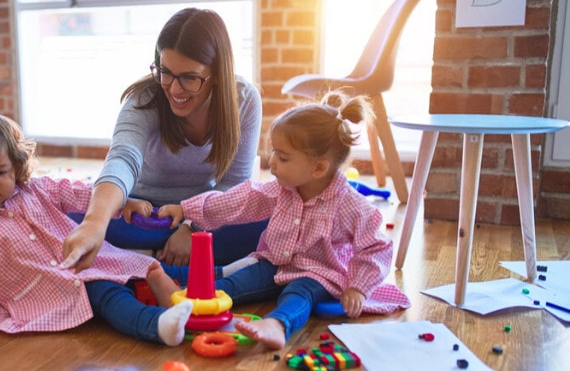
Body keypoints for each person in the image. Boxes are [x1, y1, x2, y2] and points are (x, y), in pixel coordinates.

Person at [156, 92, 411, 350]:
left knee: (297, 295)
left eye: (283, 157)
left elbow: (377, 247)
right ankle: (185, 299)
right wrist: (187, 209)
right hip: (275, 264)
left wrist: (358, 287)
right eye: (274, 153)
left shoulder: (350, 205)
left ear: (318, 168)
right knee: (236, 283)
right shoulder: (282, 190)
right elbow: (240, 200)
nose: (273, 164)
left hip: (318, 276)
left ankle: (276, 325)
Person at [0, 111, 193, 346]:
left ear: (16, 165)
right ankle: (157, 325)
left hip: (85, 263)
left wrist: (123, 202)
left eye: (1, 172)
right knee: (111, 295)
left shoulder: (36, 190)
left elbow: (82, 194)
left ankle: (219, 275)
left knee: (144, 266)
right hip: (42, 293)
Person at [62, 7, 266, 271]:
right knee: (70, 216)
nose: (173, 88)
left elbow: (235, 186)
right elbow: (123, 158)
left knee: (271, 220)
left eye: (189, 78)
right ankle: (187, 266)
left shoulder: (245, 101)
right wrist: (94, 223)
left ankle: (138, 261)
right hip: (140, 214)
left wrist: (193, 226)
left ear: (216, 74)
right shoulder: (144, 100)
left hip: (205, 211)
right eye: (165, 71)